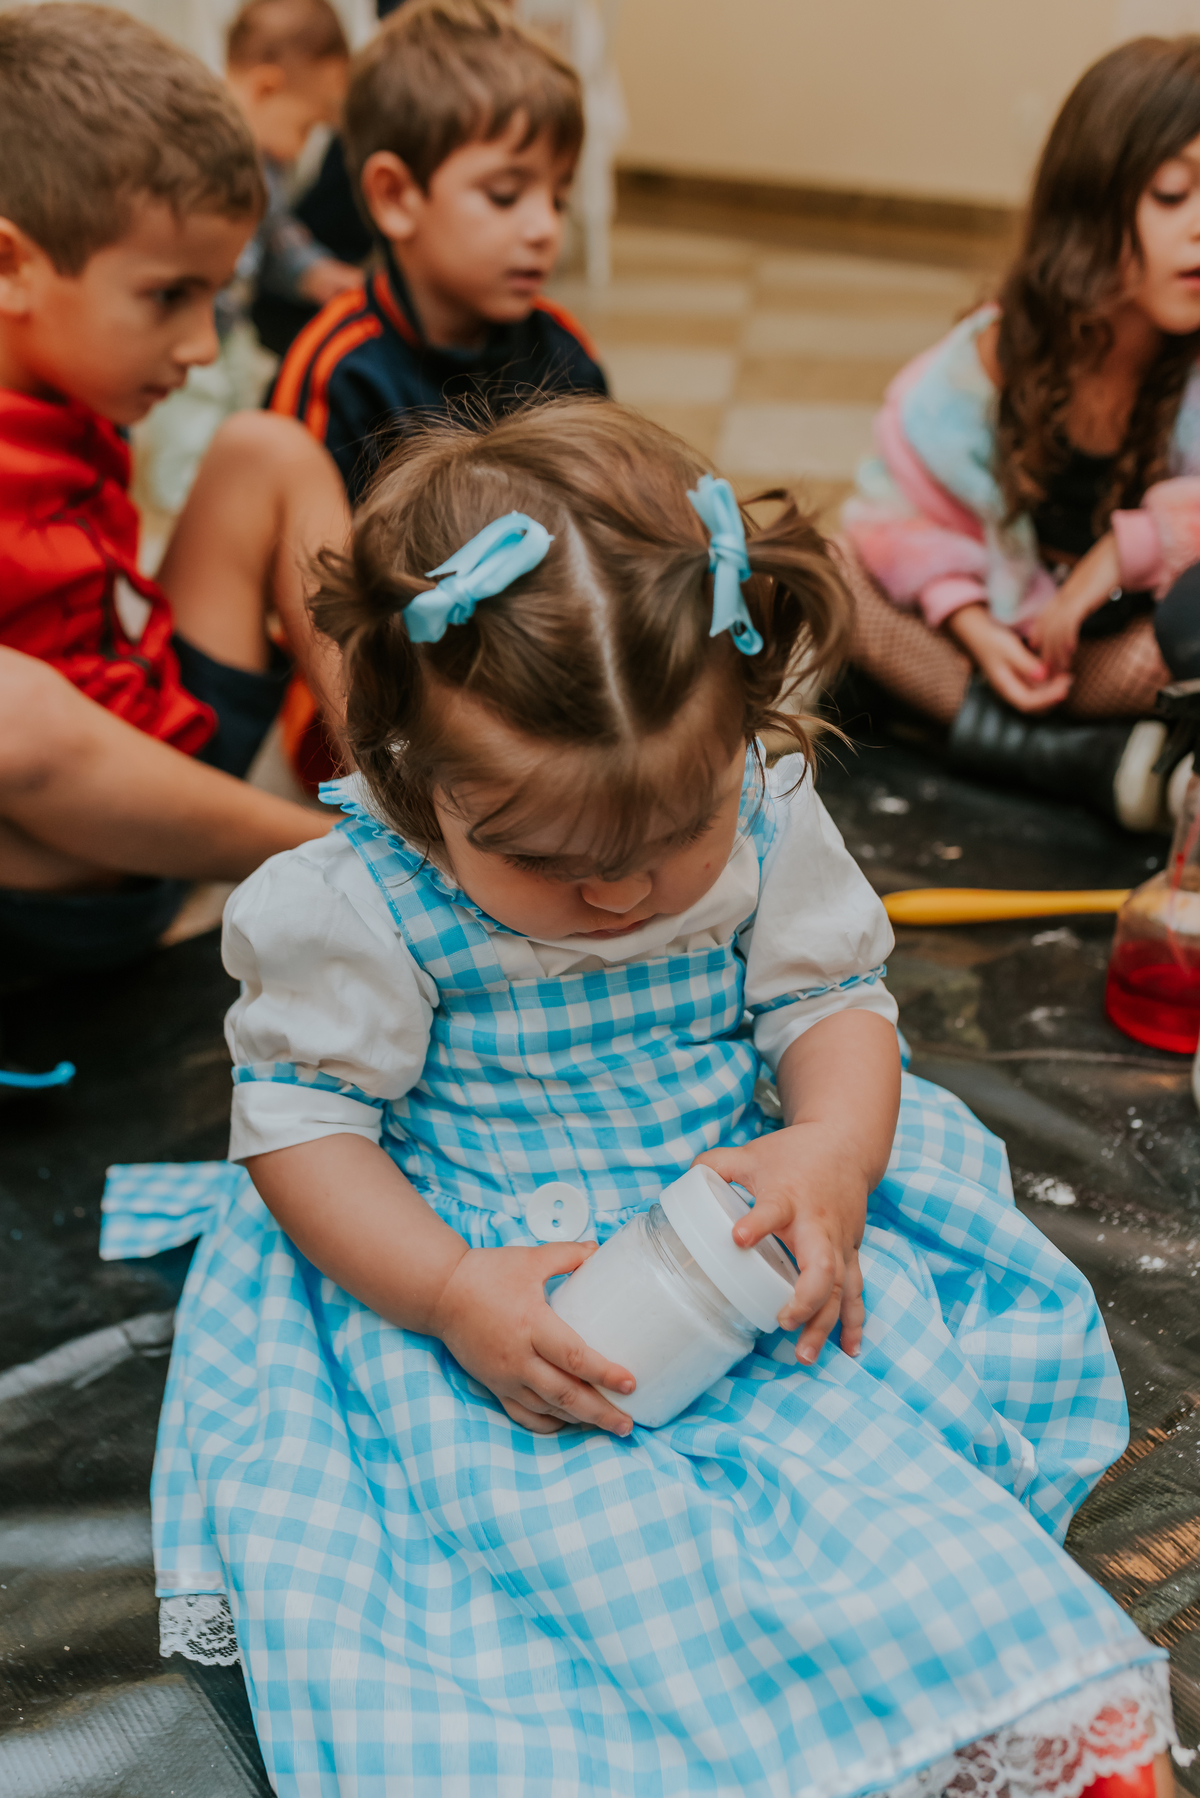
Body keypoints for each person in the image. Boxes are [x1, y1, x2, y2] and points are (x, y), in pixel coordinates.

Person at [113, 400, 1177, 1796]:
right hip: (482, 1243)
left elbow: (832, 1002)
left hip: (744, 1197)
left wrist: (832, 1148)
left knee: (865, 1466)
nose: (620, 893)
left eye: (675, 834)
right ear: (414, 774)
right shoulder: (358, 903)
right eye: (549, 860)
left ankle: (995, 1716)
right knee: (535, 1512)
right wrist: (447, 1291)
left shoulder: (765, 807)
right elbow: (308, 1128)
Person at [0, 3, 351, 972]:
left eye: (213, 295)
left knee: (265, 450)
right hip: (52, 879)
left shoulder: (73, 385)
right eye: (168, 297)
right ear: (11, 266)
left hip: (168, 757)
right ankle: (358, 861)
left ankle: (407, 786)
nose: (200, 346)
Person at [842, 34, 1200, 829]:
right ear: (1090, 203)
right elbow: (893, 515)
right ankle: (1084, 762)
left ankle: (970, 730)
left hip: (1118, 655)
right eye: (1173, 194)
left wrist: (1123, 553)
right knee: (824, 570)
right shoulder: (991, 355)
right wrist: (968, 620)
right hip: (1000, 644)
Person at [268, 0, 607, 505]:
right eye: (505, 195)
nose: (545, 228)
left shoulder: (564, 354)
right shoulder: (338, 373)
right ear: (396, 197)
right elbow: (308, 550)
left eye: (558, 199)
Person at [223, 0, 364, 330]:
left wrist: (315, 273)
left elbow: (275, 237)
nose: (303, 149)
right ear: (265, 89)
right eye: (306, 127)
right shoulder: (198, 167)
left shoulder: (269, 169)